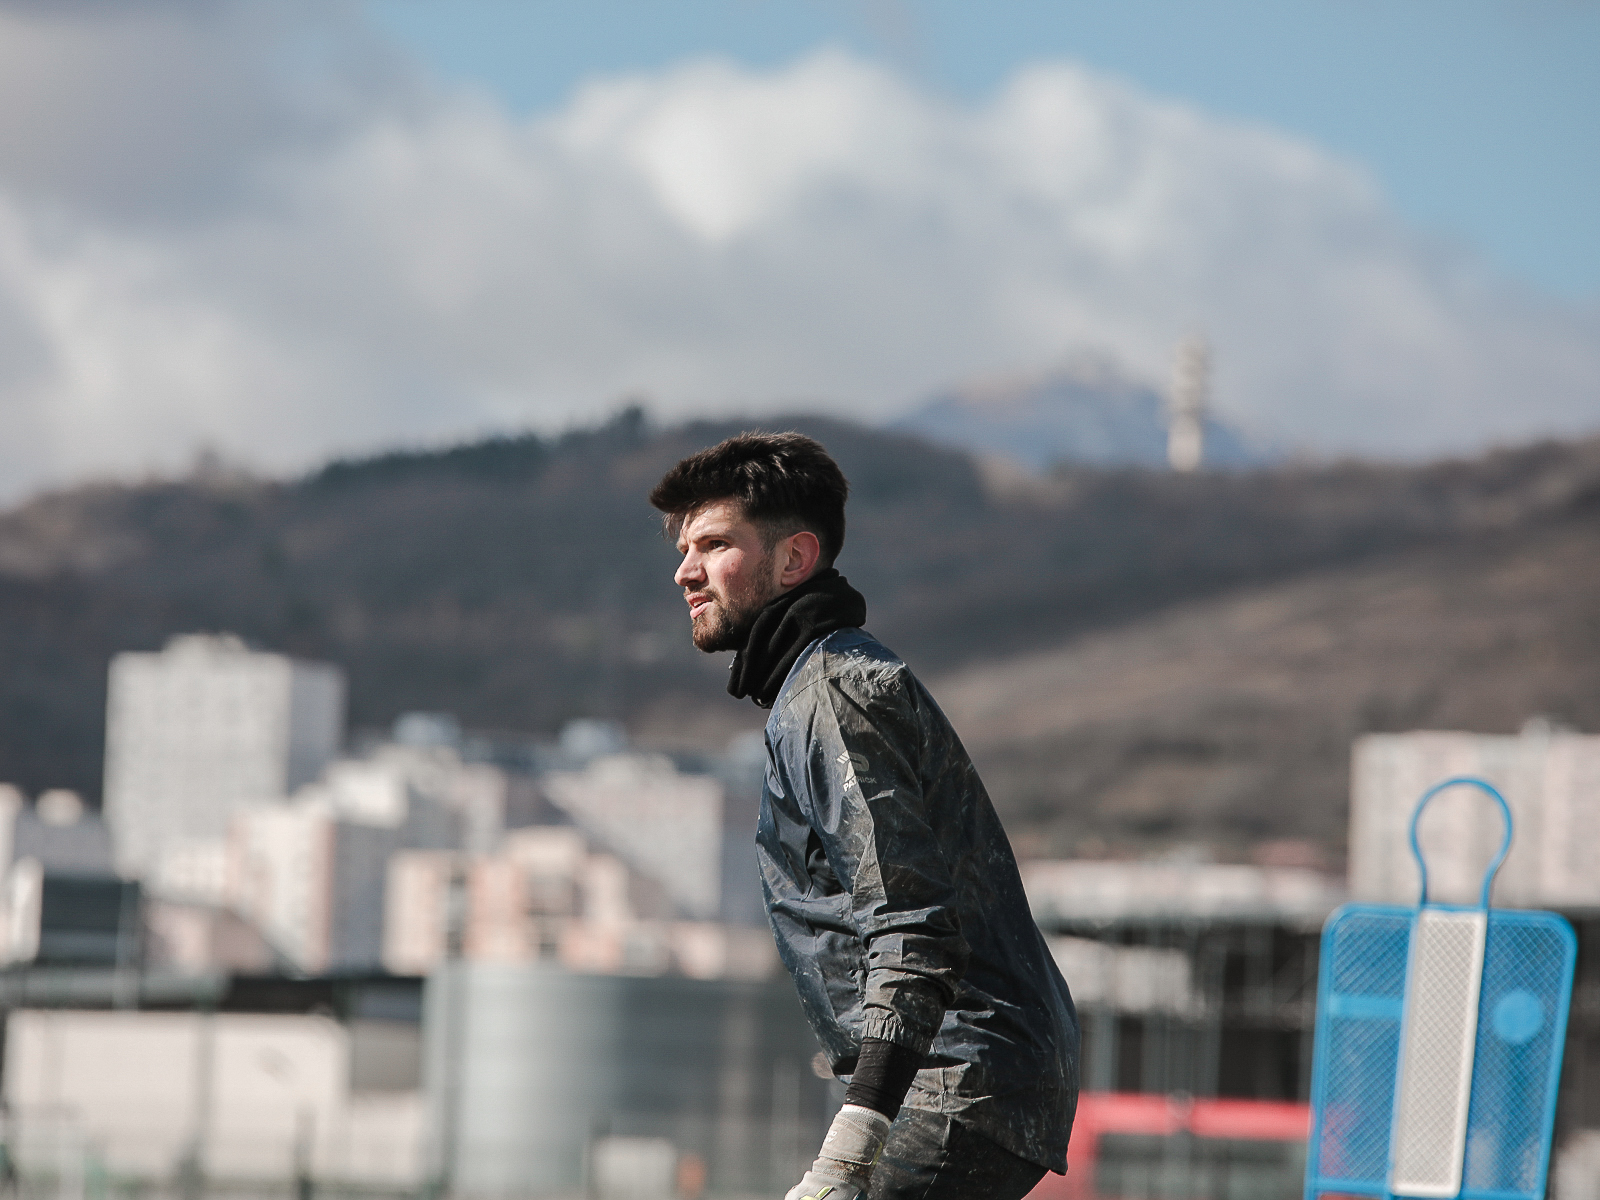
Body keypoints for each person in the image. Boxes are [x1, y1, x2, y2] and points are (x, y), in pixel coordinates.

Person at [650, 432, 1078, 1200]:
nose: (685, 570)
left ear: (793, 559)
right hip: (964, 1079)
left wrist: (854, 1140)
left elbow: (911, 922)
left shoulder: (831, 692)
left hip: (953, 1080)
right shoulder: (819, 684)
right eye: (685, 548)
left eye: (714, 544)